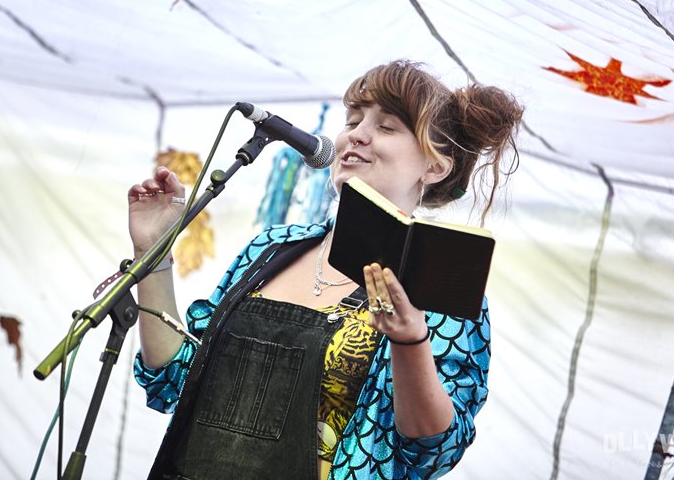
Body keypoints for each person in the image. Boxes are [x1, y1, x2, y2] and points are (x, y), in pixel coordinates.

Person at [129, 60, 523, 479]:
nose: (357, 134)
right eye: (353, 120)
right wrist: (152, 253)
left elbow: (432, 451)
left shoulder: (439, 287)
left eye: (387, 127)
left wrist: (410, 340)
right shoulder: (271, 247)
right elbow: (174, 378)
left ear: (435, 166)